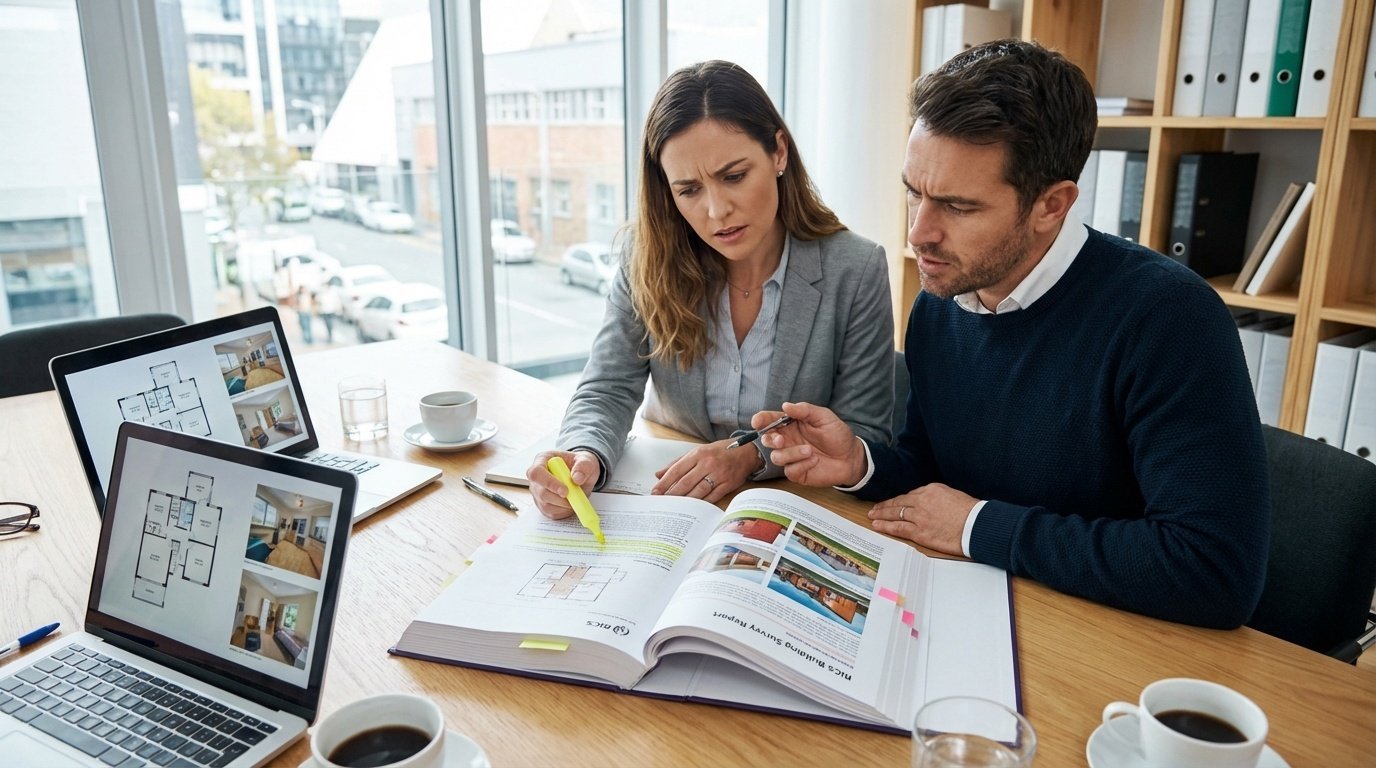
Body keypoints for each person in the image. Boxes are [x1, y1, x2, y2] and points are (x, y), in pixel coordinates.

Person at [757, 40, 1268, 629]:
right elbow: (937, 474)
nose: (919, 232)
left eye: (957, 206)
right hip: (977, 610)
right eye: (913, 192)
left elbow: (1214, 570)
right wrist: (862, 465)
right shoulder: (940, 305)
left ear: (1052, 204)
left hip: (1109, 643)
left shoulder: (1169, 319)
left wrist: (978, 526)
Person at [527, 60, 894, 519]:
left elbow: (866, 433)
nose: (717, 211)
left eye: (734, 176)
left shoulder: (855, 268)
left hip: (794, 505)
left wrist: (749, 455)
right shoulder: (645, 255)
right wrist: (584, 455)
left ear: (778, 152)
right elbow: (608, 386)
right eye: (689, 190)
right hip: (670, 498)